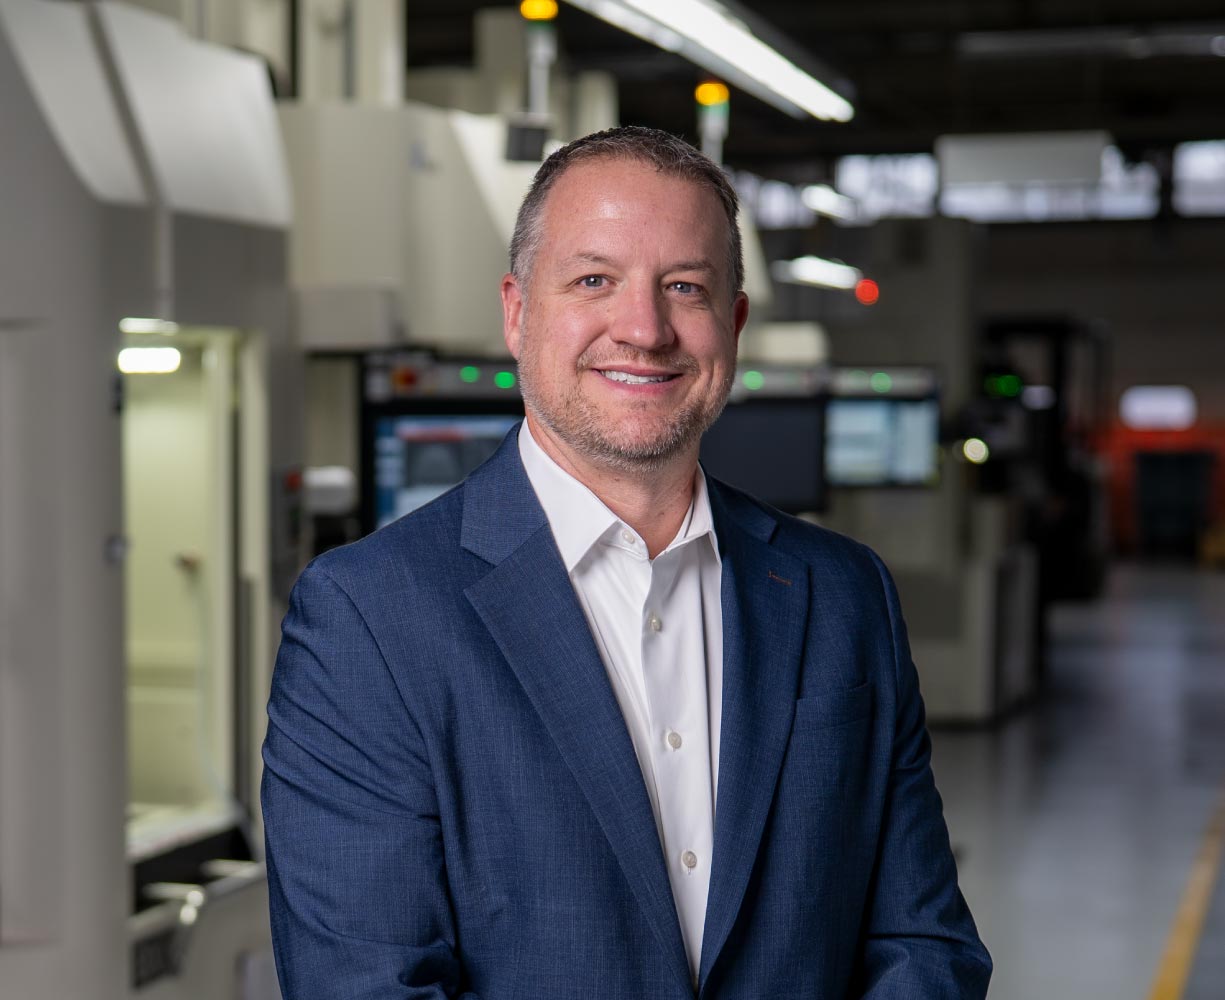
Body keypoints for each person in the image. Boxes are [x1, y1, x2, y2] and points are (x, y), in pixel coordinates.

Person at [262, 125, 991, 999]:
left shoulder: (842, 594)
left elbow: (922, 945)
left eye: (684, 287)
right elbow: (366, 984)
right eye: (594, 281)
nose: (643, 330)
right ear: (517, 309)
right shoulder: (369, 616)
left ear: (734, 323)